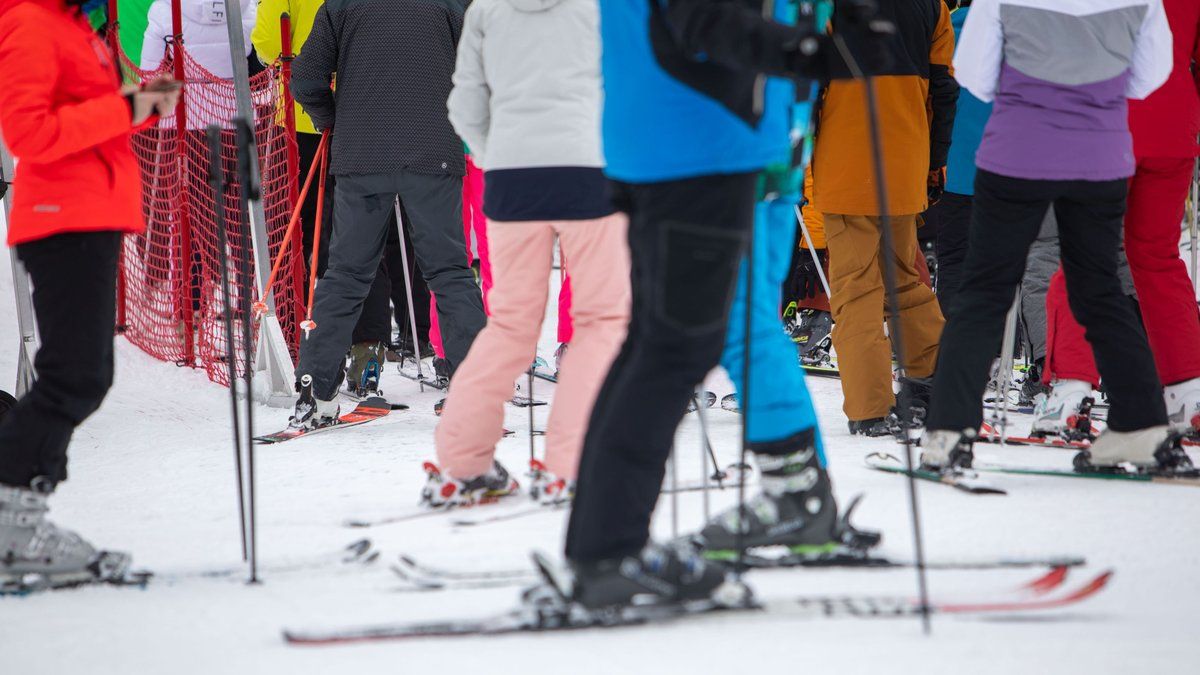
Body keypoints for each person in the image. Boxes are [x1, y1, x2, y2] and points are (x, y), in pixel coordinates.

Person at [562, 0, 858, 610]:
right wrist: (808, 52)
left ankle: (607, 548)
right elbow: (702, 19)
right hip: (700, 142)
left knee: (664, 344)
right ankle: (609, 553)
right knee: (679, 346)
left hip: (686, 139)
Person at [922, 0, 1177, 472]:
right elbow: (1150, 75)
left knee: (985, 289)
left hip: (1018, 150)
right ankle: (1141, 425)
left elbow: (973, 72)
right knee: (1099, 289)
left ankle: (949, 429)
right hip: (1099, 153)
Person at [0, 0, 179, 584]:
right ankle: (11, 519)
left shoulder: (76, 26)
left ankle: (18, 518)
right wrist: (127, 106)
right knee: (72, 378)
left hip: (91, 214)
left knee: (85, 376)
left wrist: (142, 106)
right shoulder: (32, 22)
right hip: (62, 218)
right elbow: (28, 131)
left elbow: (90, 121)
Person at [427, 0, 629, 506]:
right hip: (589, 168)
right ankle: (570, 464)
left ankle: (462, 464)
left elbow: (464, 104)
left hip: (511, 177)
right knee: (600, 321)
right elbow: (631, 86)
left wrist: (497, 156)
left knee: (510, 325)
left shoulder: (486, 9)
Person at [288, 0, 486, 425]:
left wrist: (331, 119)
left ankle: (315, 390)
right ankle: (475, 392)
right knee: (450, 272)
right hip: (435, 151)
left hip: (361, 153)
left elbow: (305, 78)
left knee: (345, 275)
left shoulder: (341, 5)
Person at [1034, 0, 1200, 439]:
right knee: (1158, 258)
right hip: (1172, 125)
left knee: (1085, 257)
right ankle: (1188, 393)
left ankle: (1071, 391)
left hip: (1102, 120)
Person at [811, 0, 956, 436]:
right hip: (905, 160)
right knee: (904, 276)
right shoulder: (933, 6)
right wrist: (934, 163)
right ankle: (934, 382)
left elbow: (806, 87)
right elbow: (944, 89)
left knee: (856, 287)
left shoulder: (826, 6)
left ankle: (870, 408)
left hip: (844, 163)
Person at [253, 0, 395, 399]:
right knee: (362, 236)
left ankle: (298, 342)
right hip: (367, 117)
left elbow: (268, 41)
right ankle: (368, 348)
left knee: (295, 235)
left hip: (302, 119)